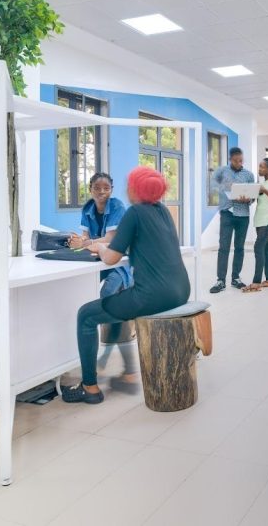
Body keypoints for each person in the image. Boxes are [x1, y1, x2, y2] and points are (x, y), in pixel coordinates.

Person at [62, 167, 191, 404]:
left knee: (86, 315)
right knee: (115, 300)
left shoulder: (134, 212)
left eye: (129, 185)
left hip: (153, 296)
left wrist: (98, 247)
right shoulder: (162, 211)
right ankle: (126, 371)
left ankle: (89, 387)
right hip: (181, 290)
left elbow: (111, 257)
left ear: (136, 189)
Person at [67, 173, 138, 390]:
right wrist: (78, 241)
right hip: (99, 262)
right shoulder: (88, 208)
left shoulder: (117, 206)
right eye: (97, 188)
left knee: (108, 298)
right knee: (82, 293)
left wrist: (85, 242)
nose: (101, 192)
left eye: (106, 188)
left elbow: (111, 240)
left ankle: (124, 366)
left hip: (118, 263)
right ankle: (108, 361)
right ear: (90, 189)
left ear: (112, 189)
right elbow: (85, 238)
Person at [210, 147, 255, 293]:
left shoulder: (249, 175)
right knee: (223, 247)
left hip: (243, 215)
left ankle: (236, 278)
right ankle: (220, 280)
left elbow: (253, 195)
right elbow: (212, 185)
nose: (239, 163)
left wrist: (249, 199)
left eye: (241, 160)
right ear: (230, 159)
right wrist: (224, 186)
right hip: (227, 213)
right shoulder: (222, 171)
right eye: (236, 161)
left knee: (239, 247)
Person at [244, 158, 268, 292]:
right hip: (259, 219)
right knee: (266, 249)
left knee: (258, 247)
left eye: (262, 167)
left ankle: (256, 282)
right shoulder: (261, 183)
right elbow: (255, 200)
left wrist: (264, 190)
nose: (259, 169)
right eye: (259, 166)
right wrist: (247, 197)